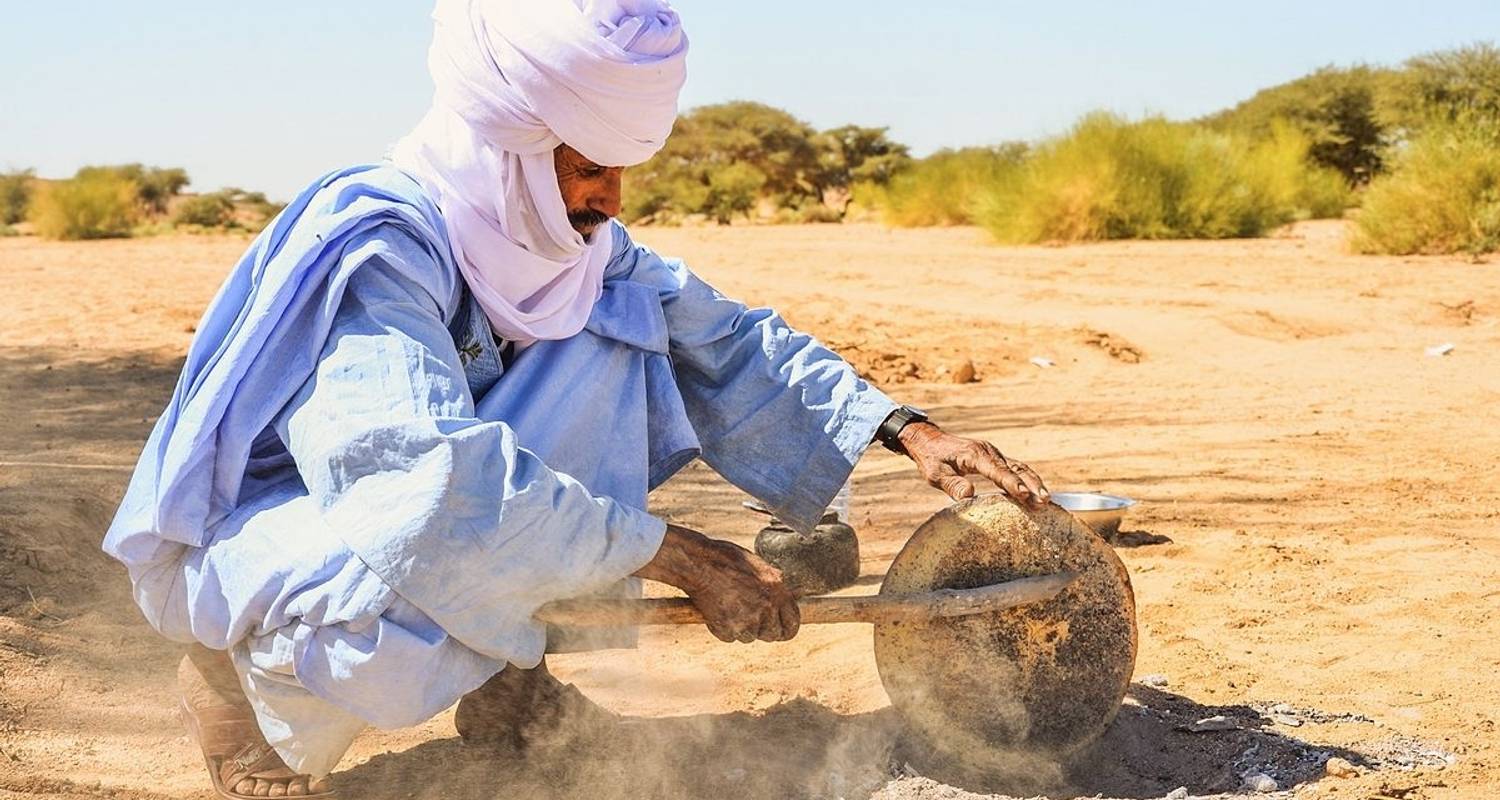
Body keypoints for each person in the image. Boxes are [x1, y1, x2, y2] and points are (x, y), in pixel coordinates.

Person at [102, 1, 1051, 797]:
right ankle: (239, 689)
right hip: (305, 533)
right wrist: (681, 555)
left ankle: (512, 676)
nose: (612, 196)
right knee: (386, 604)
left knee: (620, 326)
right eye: (586, 166)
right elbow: (427, 488)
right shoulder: (381, 251)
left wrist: (911, 430)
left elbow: (730, 340)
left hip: (439, 510)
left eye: (619, 166)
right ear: (507, 143)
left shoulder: (581, 250)